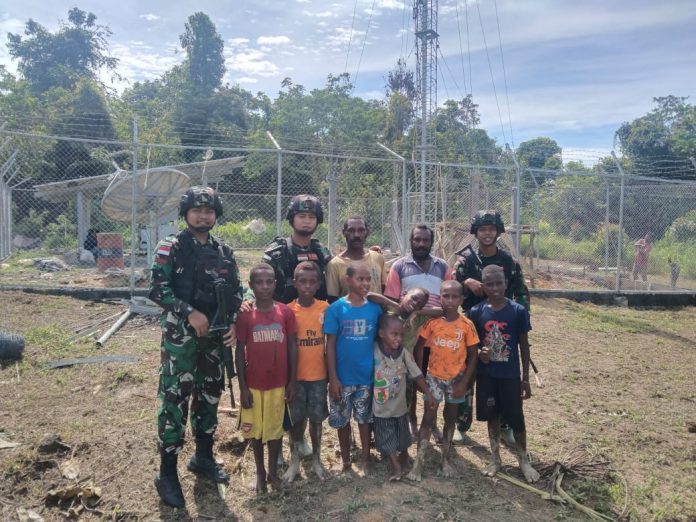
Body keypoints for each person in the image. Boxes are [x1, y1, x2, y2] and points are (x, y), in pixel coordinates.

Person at [149, 186, 243, 508]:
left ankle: (203, 457)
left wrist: (232, 322)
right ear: (186, 213)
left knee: (209, 395)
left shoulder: (224, 252)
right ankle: (167, 473)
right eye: (197, 209)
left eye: (209, 210)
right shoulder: (171, 247)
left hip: (215, 340)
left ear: (216, 214)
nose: (203, 215)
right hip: (181, 338)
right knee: (175, 399)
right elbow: (157, 290)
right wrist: (189, 312)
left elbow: (236, 293)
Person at [453, 210, 530, 442]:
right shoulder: (465, 261)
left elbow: (521, 293)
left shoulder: (508, 261)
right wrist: (466, 282)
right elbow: (451, 289)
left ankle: (505, 423)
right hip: (472, 324)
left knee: (503, 377)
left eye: (491, 229)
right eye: (482, 229)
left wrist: (520, 324)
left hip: (503, 327)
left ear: (498, 231)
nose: (487, 233)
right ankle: (461, 424)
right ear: (475, 232)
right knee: (467, 374)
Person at [468, 265, 540, 483]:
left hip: (510, 376)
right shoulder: (476, 312)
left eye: (499, 283)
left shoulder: (518, 311)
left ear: (506, 283)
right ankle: (495, 457)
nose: (495, 287)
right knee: (492, 416)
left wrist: (525, 379)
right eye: (489, 284)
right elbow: (473, 345)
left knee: (516, 418)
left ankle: (523, 459)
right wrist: (481, 353)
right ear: (483, 286)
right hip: (487, 375)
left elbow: (524, 347)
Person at [384, 224, 452, 439]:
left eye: (425, 240)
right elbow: (393, 302)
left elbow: (449, 304)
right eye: (417, 240)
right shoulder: (399, 267)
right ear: (411, 241)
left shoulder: (443, 267)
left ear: (431, 242)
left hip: (437, 336)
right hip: (408, 335)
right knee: (410, 379)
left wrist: (420, 311)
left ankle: (430, 424)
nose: (421, 244)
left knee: (434, 378)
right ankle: (411, 420)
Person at [407, 280, 479, 482]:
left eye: (454, 296)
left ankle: (445, 459)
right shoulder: (433, 323)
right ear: (439, 298)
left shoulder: (466, 325)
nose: (449, 300)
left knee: (450, 418)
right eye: (445, 296)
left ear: (461, 299)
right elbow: (419, 348)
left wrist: (464, 383)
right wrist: (421, 377)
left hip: (456, 380)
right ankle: (418, 463)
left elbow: (473, 356)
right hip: (434, 379)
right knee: (428, 419)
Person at [236, 263, 298, 493]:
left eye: (269, 281)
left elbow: (293, 347)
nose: (264, 286)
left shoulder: (285, 312)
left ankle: (273, 472)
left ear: (275, 284)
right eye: (259, 282)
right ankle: (260, 473)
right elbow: (239, 351)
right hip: (253, 385)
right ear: (251, 286)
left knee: (274, 431)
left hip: (278, 385)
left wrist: (292, 381)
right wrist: (242, 387)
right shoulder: (245, 315)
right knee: (255, 432)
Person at [324, 262, 383, 476]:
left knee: (365, 419)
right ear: (347, 280)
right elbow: (329, 344)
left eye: (368, 279)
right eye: (360, 279)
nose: (365, 283)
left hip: (367, 377)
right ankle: (346, 460)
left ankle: (366, 459)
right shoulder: (336, 309)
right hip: (342, 377)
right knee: (342, 421)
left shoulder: (375, 309)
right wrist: (333, 377)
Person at [373, 314, 436, 481]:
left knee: (403, 438)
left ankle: (404, 459)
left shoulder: (404, 354)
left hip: (400, 408)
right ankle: (396, 467)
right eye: (394, 334)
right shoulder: (374, 350)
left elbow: (417, 374)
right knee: (386, 439)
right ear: (381, 333)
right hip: (380, 408)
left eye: (401, 335)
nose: (398, 338)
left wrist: (429, 393)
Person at [283, 261, 330, 482]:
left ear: (319, 284)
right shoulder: (288, 311)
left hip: (319, 377)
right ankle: (294, 462)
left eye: (312, 282)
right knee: (296, 421)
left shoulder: (325, 308)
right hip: (296, 378)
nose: (307, 286)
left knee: (317, 420)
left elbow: (330, 343)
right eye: (303, 281)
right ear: (295, 283)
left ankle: (317, 460)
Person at [263, 194, 332, 304]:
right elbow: (259, 281)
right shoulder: (277, 252)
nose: (307, 221)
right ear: (292, 218)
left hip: (316, 316)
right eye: (302, 216)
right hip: (282, 316)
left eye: (312, 217)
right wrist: (249, 300)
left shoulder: (322, 252)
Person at [326, 216, 387, 301]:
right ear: (344, 233)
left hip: (377, 313)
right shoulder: (334, 265)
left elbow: (385, 291)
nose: (356, 235)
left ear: (367, 232)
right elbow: (332, 300)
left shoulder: (378, 258)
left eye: (361, 230)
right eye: (351, 230)